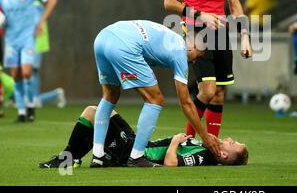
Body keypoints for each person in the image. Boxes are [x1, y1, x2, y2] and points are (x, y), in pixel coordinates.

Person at [163, 0, 252, 138]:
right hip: (196, 30)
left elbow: (234, 4)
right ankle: (189, 140)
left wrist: (244, 37)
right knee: (207, 90)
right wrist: (201, 15)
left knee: (220, 93)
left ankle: (213, 144)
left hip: (221, 32)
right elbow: (169, 2)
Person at [91, 20, 221, 168]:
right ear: (195, 46)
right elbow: (185, 102)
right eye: (199, 56)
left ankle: (98, 156)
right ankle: (137, 157)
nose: (195, 61)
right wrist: (205, 137)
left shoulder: (172, 37)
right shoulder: (180, 52)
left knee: (110, 95)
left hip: (103, 37)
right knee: (155, 99)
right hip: (124, 45)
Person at [40, 105, 248, 168]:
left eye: (233, 144)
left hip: (134, 153)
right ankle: (71, 158)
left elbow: (170, 164)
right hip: (136, 144)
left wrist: (175, 142)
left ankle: (67, 158)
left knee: (93, 113)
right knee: (101, 113)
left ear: (223, 155)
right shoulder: (206, 148)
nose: (230, 139)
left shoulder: (204, 157)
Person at [0, 0, 57, 122]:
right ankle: (21, 112)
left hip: (28, 38)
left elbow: (52, 0)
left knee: (27, 72)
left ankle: (30, 105)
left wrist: (41, 21)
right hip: (11, 41)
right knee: (16, 76)